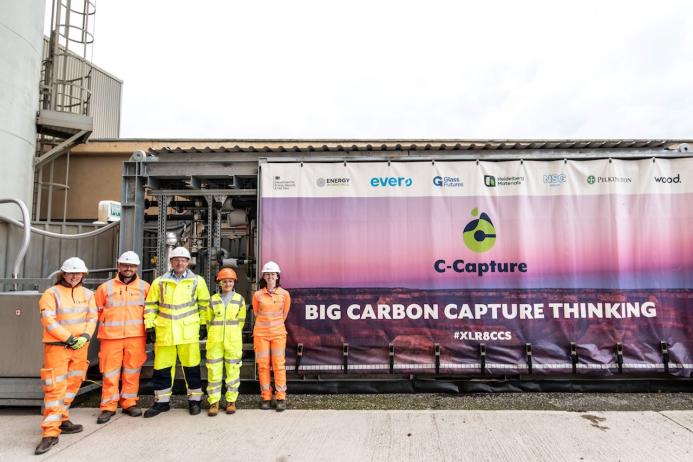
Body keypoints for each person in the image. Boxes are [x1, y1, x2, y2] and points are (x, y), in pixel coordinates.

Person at [35, 257, 97, 455]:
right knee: (55, 389)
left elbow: (92, 317)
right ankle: (50, 433)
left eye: (78, 273)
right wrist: (69, 338)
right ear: (63, 273)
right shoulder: (51, 294)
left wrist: (86, 336)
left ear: (83, 275)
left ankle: (61, 419)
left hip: (80, 347)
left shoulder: (88, 294)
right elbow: (49, 321)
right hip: (57, 347)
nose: (74, 276)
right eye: (71, 273)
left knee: (73, 384)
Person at [143, 246, 210, 418]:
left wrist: (203, 325)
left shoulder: (197, 281)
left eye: (183, 260)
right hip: (165, 332)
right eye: (176, 259)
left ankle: (195, 401)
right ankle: (161, 402)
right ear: (171, 262)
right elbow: (151, 306)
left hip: (189, 332)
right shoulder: (159, 282)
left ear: (188, 262)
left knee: (192, 368)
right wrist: (150, 326)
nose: (180, 262)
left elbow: (204, 305)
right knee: (162, 369)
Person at [93, 251, 150, 424]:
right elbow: (94, 311)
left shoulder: (145, 287)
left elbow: (150, 311)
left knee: (132, 371)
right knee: (110, 373)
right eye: (125, 265)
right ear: (119, 266)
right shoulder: (105, 288)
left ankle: (129, 402)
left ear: (137, 267)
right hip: (111, 338)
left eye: (131, 265)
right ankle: (108, 406)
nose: (128, 268)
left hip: (136, 336)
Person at [205, 267, 246, 416]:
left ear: (234, 282)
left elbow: (241, 321)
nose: (227, 284)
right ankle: (214, 402)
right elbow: (209, 320)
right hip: (215, 341)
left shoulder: (239, 299)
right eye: (224, 281)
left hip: (233, 341)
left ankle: (231, 401)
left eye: (230, 281)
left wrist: (233, 333)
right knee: (214, 372)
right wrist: (215, 333)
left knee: (233, 372)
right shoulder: (213, 300)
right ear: (219, 283)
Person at [252, 261, 291, 411]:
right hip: (261, 335)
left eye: (273, 274)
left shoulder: (284, 294)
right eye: (267, 274)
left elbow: (284, 314)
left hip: (278, 335)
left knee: (278, 365)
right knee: (263, 366)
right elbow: (257, 313)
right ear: (264, 276)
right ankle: (266, 398)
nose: (270, 276)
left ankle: (280, 398)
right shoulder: (257, 295)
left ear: (277, 276)